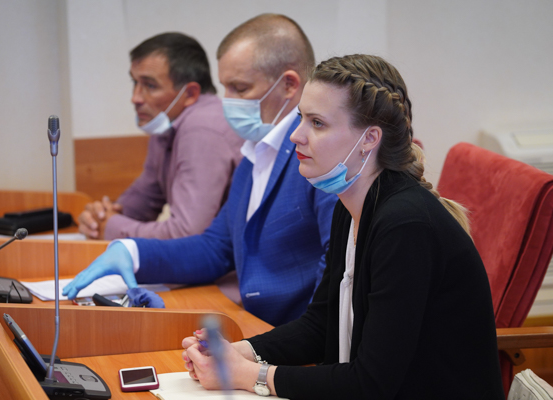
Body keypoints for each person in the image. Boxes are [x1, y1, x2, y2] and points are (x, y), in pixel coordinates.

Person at [181, 54, 506, 399]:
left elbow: (370, 384)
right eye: (301, 118)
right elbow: (320, 325)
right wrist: (238, 352)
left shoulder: (406, 227)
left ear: (369, 139)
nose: (296, 136)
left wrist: (250, 376)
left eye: (317, 123)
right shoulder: (349, 208)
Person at [63, 14, 338, 326]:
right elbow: (216, 247)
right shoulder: (255, 152)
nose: (227, 101)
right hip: (257, 326)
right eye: (225, 88)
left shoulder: (317, 155)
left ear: (289, 85)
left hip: (291, 337)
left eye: (240, 88)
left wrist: (272, 349)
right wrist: (132, 252)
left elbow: (335, 270)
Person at [78, 32, 243, 240]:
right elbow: (143, 200)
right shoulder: (167, 123)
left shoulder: (203, 129)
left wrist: (110, 227)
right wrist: (99, 217)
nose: (135, 98)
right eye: (135, 82)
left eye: (150, 85)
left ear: (190, 94)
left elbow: (187, 234)